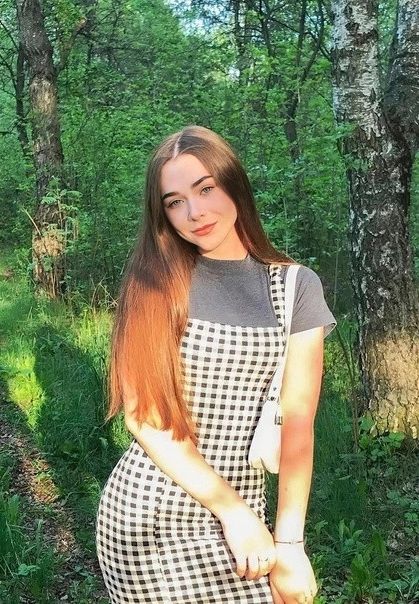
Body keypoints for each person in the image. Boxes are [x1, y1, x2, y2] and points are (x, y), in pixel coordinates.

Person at [96, 125, 336, 604]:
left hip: (247, 511)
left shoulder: (295, 287)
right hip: (151, 520)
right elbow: (144, 418)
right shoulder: (154, 284)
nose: (195, 212)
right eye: (175, 201)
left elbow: (298, 422)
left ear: (233, 184)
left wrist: (290, 544)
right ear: (162, 213)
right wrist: (233, 512)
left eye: (205, 189)